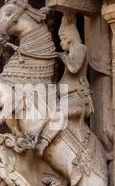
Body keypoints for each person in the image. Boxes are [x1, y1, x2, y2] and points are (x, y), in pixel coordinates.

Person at [35, 13, 93, 157]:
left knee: (58, 113)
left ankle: (43, 143)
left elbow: (74, 68)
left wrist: (63, 56)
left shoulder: (80, 49)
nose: (61, 42)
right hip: (65, 97)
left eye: (62, 39)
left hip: (78, 98)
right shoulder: (71, 52)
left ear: (69, 37)